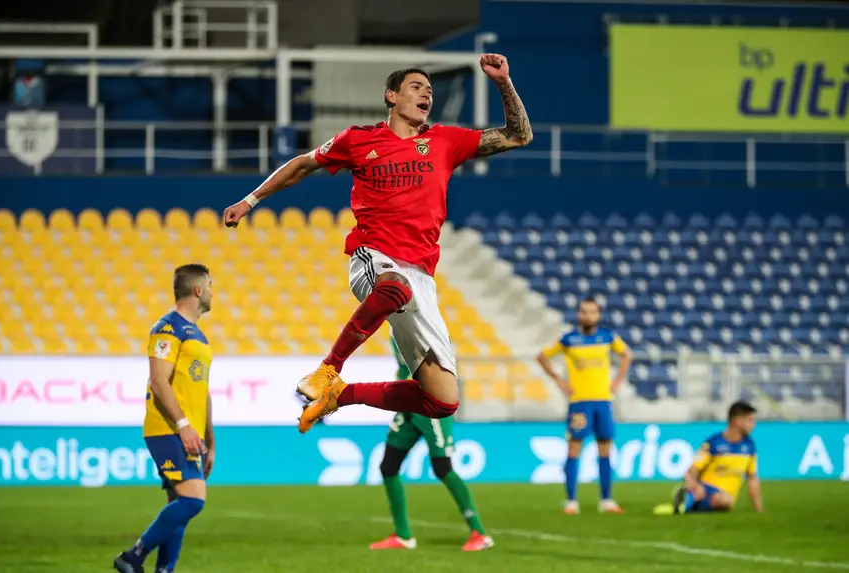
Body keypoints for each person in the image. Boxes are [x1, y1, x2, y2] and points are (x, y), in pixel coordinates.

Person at [223, 54, 533, 434]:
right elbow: (303, 164)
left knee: (443, 400)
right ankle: (328, 368)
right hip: (375, 257)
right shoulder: (358, 140)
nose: (427, 95)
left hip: (421, 275)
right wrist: (250, 200)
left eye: (430, 91)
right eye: (417, 87)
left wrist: (504, 82)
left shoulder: (445, 142)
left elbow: (519, 135)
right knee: (394, 286)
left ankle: (340, 395)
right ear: (392, 96)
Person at [114, 264, 215, 573]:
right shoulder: (167, 329)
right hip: (167, 428)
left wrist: (210, 441)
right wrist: (184, 426)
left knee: (179, 505)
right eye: (210, 285)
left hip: (189, 433)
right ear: (198, 290)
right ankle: (133, 555)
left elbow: (203, 392)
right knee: (193, 500)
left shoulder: (198, 336)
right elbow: (158, 381)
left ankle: (164, 570)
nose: (213, 292)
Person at [370, 334, 493, 552]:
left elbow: (436, 364)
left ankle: (479, 533)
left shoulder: (423, 326)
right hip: (408, 402)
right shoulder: (396, 327)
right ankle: (403, 535)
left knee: (443, 468)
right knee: (388, 466)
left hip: (431, 402)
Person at [536, 297, 632, 515]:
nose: (587, 316)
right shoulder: (569, 339)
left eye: (592, 312)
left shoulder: (607, 337)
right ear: (579, 314)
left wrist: (617, 382)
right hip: (579, 402)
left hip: (603, 401)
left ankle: (606, 500)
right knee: (574, 448)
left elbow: (627, 354)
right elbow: (542, 356)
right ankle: (571, 501)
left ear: (598, 315)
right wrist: (558, 380)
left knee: (605, 449)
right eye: (584, 312)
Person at [654, 401, 762, 515]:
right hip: (708, 489)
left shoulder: (749, 446)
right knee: (725, 500)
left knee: (726, 501)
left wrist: (759, 510)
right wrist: (694, 485)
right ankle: (689, 499)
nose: (753, 424)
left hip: (727, 497)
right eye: (749, 420)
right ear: (736, 421)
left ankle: (686, 503)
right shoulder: (714, 443)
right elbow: (693, 469)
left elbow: (752, 479)